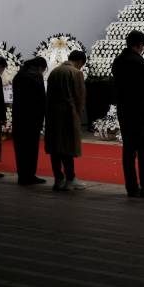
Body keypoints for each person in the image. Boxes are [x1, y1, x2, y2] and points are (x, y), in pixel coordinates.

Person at [112, 30, 144, 197]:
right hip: (140, 110)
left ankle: (131, 187)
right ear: (139, 45)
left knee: (129, 150)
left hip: (124, 110)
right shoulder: (139, 62)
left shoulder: (118, 61)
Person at [45, 50, 87, 192]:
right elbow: (80, 97)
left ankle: (58, 178)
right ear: (80, 62)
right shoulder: (76, 73)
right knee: (68, 147)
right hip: (68, 114)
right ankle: (70, 179)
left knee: (55, 148)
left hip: (52, 114)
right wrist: (78, 116)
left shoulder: (54, 72)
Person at [12, 56, 47, 185]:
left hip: (19, 117)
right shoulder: (36, 77)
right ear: (40, 68)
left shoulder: (19, 75)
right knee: (31, 148)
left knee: (20, 148)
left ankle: (22, 175)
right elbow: (41, 99)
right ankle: (30, 175)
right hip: (32, 118)